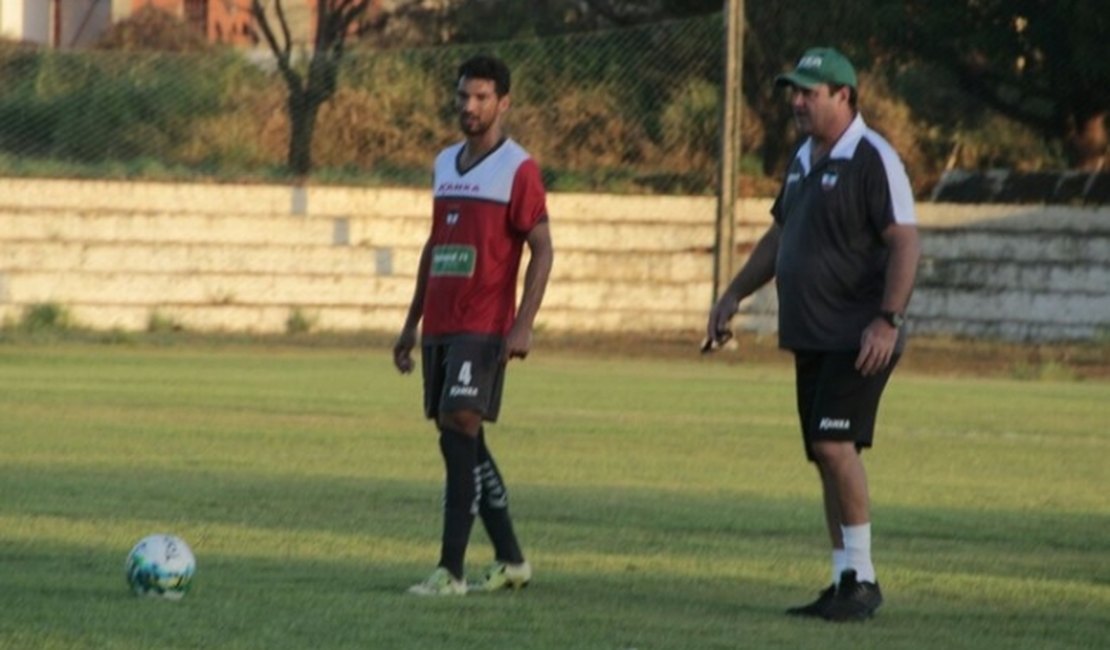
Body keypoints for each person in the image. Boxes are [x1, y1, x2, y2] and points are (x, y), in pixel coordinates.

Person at [706, 47, 920, 622]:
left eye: (809, 92)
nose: (797, 102)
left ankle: (864, 579)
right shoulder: (803, 156)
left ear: (843, 96)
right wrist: (733, 294)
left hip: (859, 335)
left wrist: (887, 320)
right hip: (813, 334)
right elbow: (781, 235)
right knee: (824, 455)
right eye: (794, 92)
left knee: (833, 446)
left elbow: (905, 241)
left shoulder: (873, 157)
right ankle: (843, 578)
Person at [393, 55, 554, 597]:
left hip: (483, 324)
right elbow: (435, 244)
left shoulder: (518, 168)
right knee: (460, 436)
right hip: (441, 323)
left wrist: (523, 324)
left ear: (503, 103)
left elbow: (542, 248)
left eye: (482, 97)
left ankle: (451, 572)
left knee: (459, 426)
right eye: (464, 95)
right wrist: (411, 323)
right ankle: (511, 560)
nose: (470, 106)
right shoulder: (444, 163)